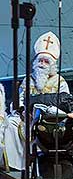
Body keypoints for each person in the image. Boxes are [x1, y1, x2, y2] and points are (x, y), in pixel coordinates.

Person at [4, 31, 69, 171]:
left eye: (46, 62)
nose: (42, 64)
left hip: (49, 119)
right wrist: (22, 111)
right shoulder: (28, 80)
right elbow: (20, 99)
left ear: (52, 65)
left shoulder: (60, 82)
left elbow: (65, 103)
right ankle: (17, 165)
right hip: (26, 118)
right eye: (40, 60)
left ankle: (39, 165)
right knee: (11, 124)